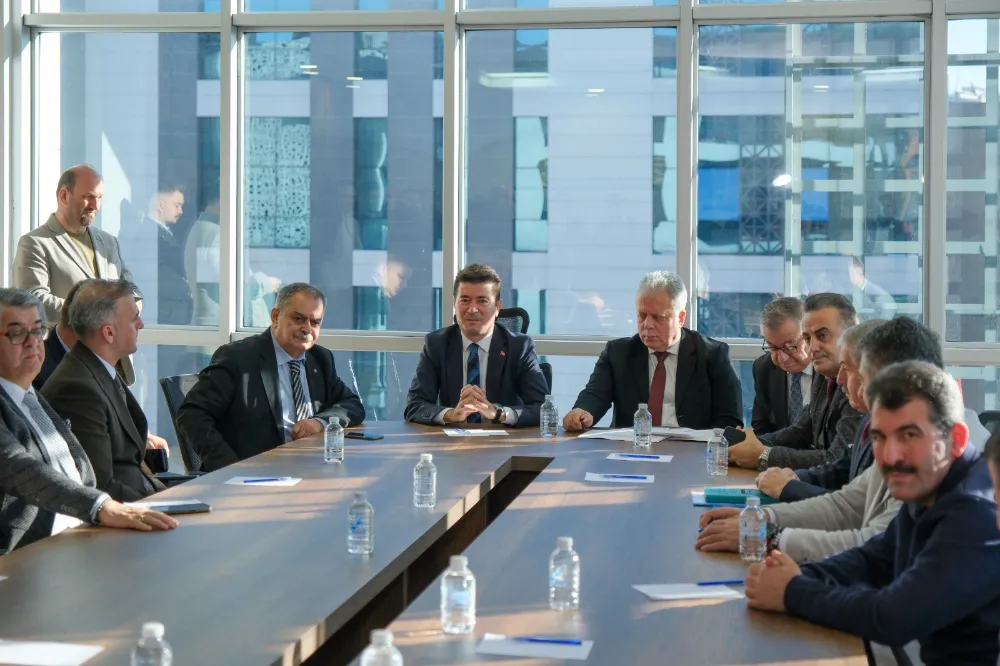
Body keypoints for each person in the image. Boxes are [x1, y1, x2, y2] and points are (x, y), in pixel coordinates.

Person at [744, 362, 1000, 666]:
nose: (890, 456)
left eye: (909, 435)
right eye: (879, 437)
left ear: (955, 440)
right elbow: (875, 558)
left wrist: (792, 590)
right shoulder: (932, 480)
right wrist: (799, 575)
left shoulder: (977, 509)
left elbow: (894, 616)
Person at [697, 319, 988, 563]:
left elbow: (876, 547)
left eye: (852, 370)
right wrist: (763, 518)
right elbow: (847, 505)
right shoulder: (898, 427)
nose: (841, 380)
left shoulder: (942, 448)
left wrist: (770, 537)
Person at [0, 288, 176, 554]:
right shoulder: (66, 386)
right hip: (24, 554)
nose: (32, 342)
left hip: (84, 538)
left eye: (37, 330)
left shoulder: (32, 396)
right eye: (17, 333)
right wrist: (102, 506)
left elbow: (82, 474)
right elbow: (19, 467)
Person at [176, 283, 365, 472]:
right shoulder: (238, 358)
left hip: (311, 467)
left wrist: (319, 422)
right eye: (298, 318)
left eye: (315, 322)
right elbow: (192, 415)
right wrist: (231, 468)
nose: (307, 328)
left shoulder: (319, 358)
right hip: (256, 472)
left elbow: (352, 405)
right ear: (275, 316)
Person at [563, 271, 742, 432]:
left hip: (692, 451)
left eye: (658, 317)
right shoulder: (618, 353)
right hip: (630, 448)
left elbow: (730, 420)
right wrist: (582, 412)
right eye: (642, 315)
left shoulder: (713, 355)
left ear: (681, 317)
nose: (647, 324)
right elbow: (595, 395)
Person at [12, 165, 138, 383]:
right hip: (66, 364)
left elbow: (130, 289)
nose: (95, 205)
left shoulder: (108, 242)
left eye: (99, 198)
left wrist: (133, 303)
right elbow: (33, 301)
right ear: (64, 195)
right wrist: (93, 315)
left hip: (113, 364)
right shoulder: (35, 243)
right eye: (88, 197)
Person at [42, 279, 164, 502]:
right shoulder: (77, 389)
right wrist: (164, 502)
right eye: (134, 318)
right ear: (108, 332)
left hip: (143, 497)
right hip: (128, 512)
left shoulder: (99, 368)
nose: (141, 325)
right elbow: (101, 486)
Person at [727, 293, 862, 471]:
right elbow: (800, 430)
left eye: (822, 335)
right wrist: (748, 444)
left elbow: (838, 461)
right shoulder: (827, 375)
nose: (813, 348)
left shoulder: (860, 384)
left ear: (851, 334)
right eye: (808, 339)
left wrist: (763, 455)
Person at [755, 319, 885, 502]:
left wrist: (787, 486)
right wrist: (796, 477)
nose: (840, 379)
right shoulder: (870, 417)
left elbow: (857, 507)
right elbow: (843, 467)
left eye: (847, 368)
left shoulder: (898, 434)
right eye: (808, 338)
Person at [405, 264, 549, 427]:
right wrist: (451, 414)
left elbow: (542, 408)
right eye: (465, 300)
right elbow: (414, 406)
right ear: (454, 303)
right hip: (452, 440)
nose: (472, 309)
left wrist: (498, 413)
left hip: (503, 439)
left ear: (497, 307)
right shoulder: (436, 344)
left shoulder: (519, 347)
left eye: (482, 301)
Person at [752, 297, 812, 436]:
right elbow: (761, 427)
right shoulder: (764, 368)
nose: (782, 358)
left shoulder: (829, 370)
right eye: (773, 347)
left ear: (809, 337)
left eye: (790, 347)